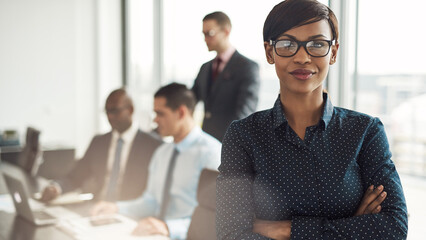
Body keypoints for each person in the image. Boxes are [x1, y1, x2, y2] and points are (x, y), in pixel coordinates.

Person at [216, 0, 408, 239]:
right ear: (269, 52)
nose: (303, 57)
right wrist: (351, 225)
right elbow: (230, 234)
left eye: (317, 44)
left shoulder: (365, 131)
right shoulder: (244, 135)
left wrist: (286, 229)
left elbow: (394, 228)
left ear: (334, 52)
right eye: (287, 44)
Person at [91, 83, 221, 239]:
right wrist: (116, 208)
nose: (155, 120)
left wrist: (169, 228)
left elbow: (215, 217)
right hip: (154, 233)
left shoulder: (213, 154)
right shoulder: (162, 153)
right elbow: (150, 202)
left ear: (181, 113)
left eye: (160, 114)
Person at [41, 89, 162, 202]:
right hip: (96, 210)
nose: (110, 117)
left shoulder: (153, 146)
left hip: (131, 215)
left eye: (115, 111)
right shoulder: (98, 142)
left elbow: (153, 195)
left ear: (130, 110)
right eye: (107, 111)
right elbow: (76, 176)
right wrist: (57, 187)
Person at [192, 11, 260, 142]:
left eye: (209, 33)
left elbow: (245, 112)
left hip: (231, 144)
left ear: (226, 31)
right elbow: (191, 99)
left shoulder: (247, 67)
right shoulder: (205, 68)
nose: (205, 39)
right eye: (203, 34)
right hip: (206, 141)